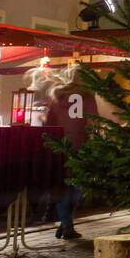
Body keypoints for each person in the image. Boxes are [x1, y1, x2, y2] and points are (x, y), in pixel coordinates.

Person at [43, 82, 98, 239]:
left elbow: (48, 124)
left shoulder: (56, 98)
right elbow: (94, 122)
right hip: (82, 147)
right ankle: (67, 224)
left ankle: (65, 224)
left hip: (60, 147)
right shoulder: (87, 98)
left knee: (63, 187)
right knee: (77, 187)